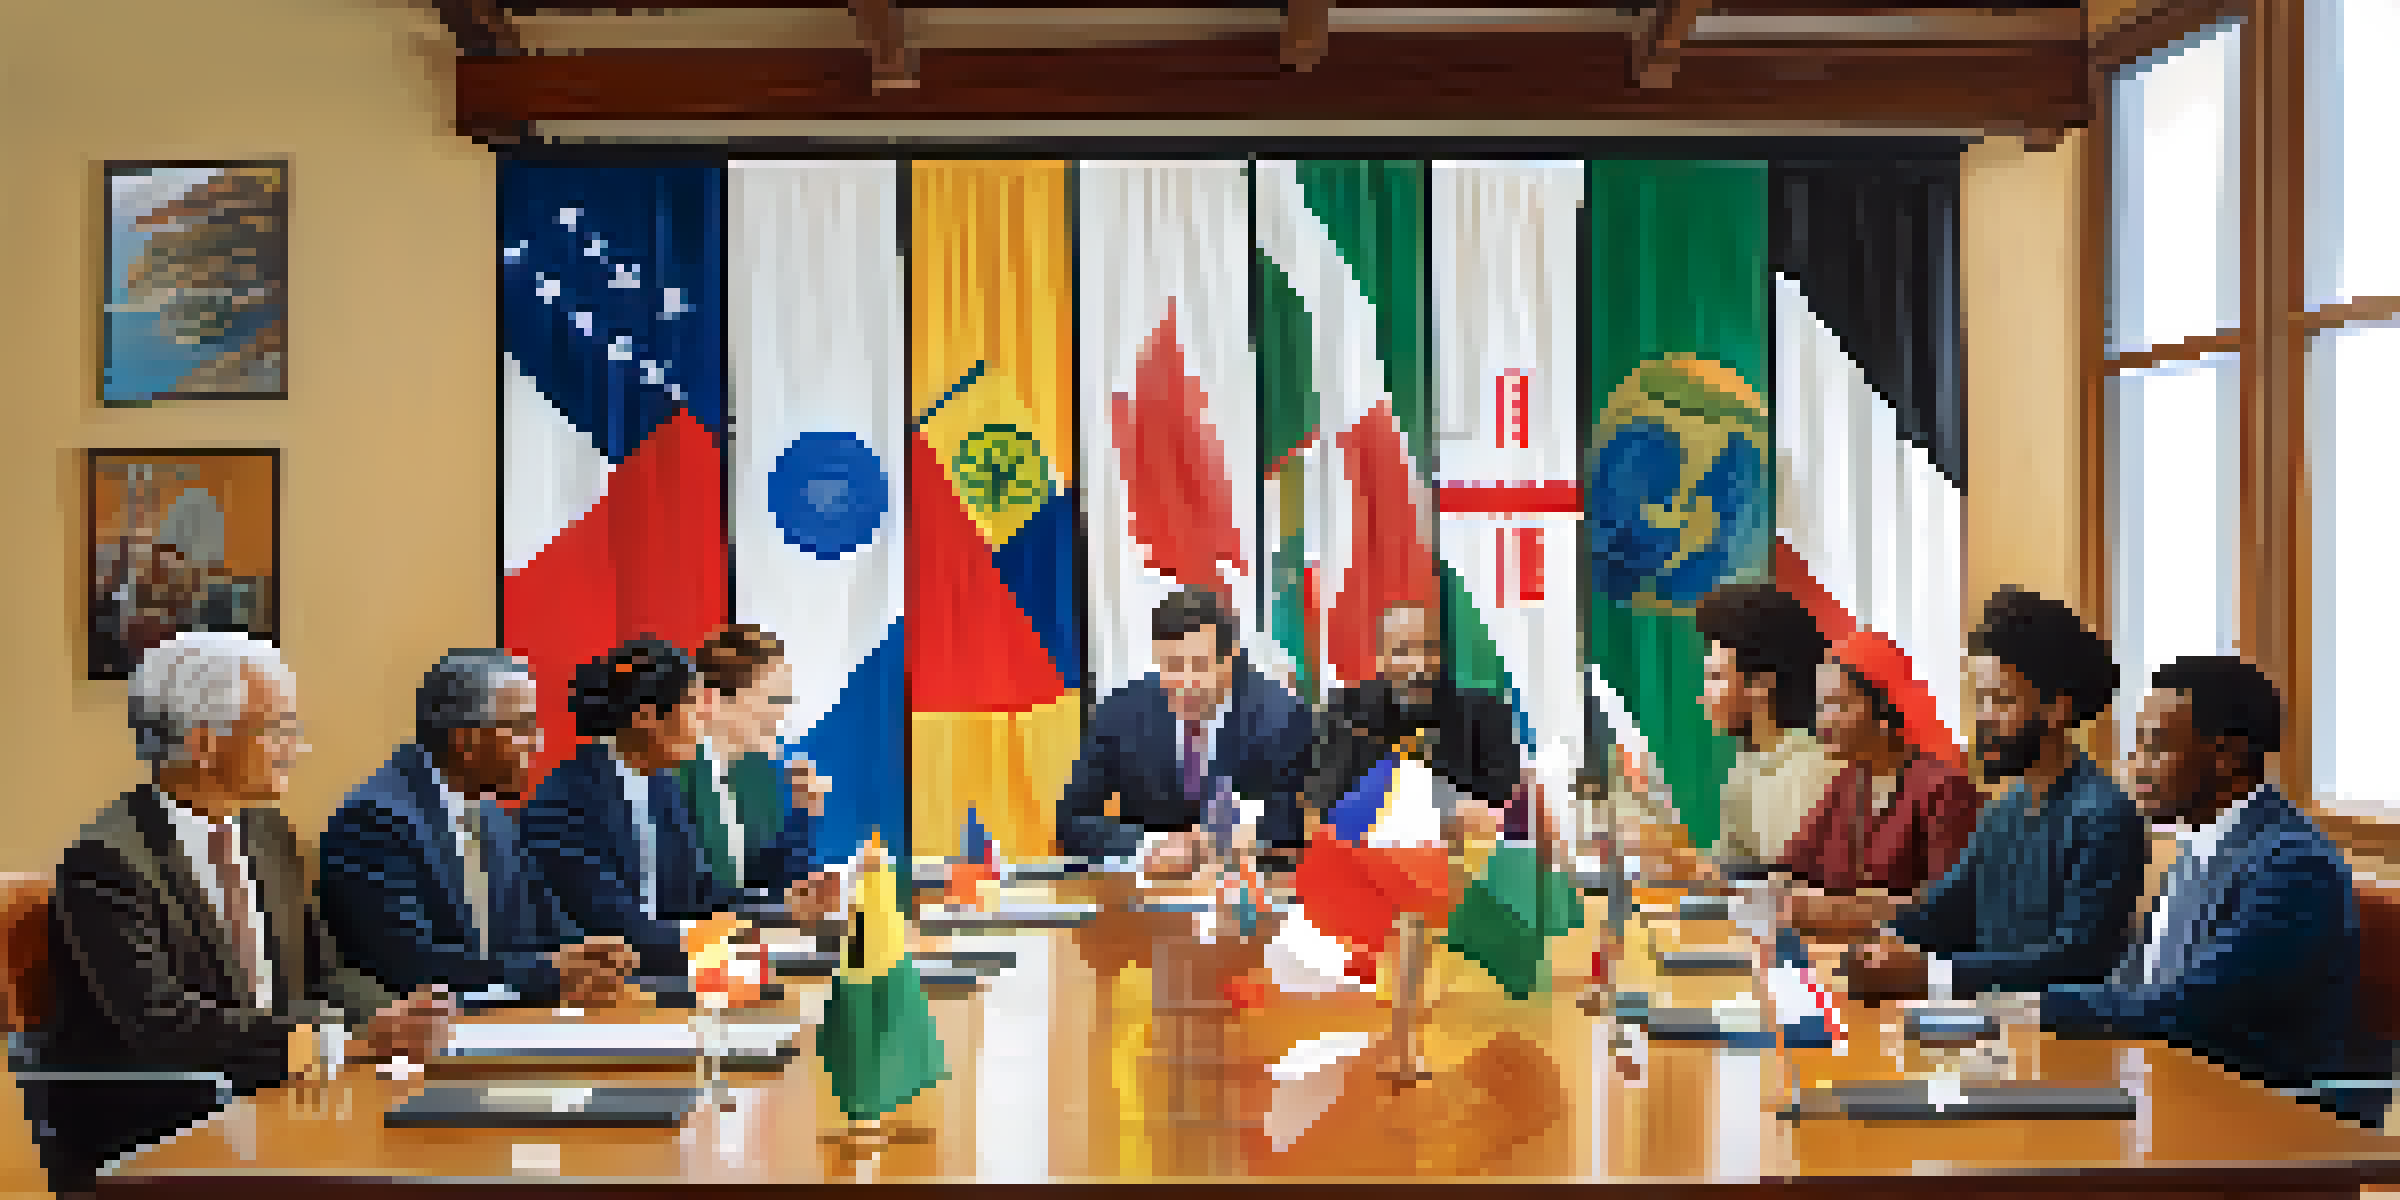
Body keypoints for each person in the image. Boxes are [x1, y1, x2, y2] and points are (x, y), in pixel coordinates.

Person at [42, 634, 451, 1192]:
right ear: (205, 742)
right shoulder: (108, 860)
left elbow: (322, 975)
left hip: (279, 1098)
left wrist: (407, 1016)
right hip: (160, 1127)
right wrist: (343, 1041)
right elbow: (164, 1024)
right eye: (279, 728)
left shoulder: (267, 833)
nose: (297, 747)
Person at [2041, 656, 2376, 1118]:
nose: (2135, 767)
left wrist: (2028, 1011)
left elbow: (2191, 1009)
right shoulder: (2198, 845)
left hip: (2251, 1120)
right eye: (2135, 747)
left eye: (2154, 749)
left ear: (2228, 757)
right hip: (2163, 1091)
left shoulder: (2293, 865)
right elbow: (2134, 985)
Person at [1839, 586, 2145, 1003]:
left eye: (1999, 700)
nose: (1982, 718)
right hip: (1987, 1031)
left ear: (2058, 708)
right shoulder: (2003, 811)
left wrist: (1933, 975)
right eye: (1979, 699)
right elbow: (1944, 911)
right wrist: (1884, 945)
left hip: (2055, 1043)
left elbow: (2078, 960)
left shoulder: (2104, 816)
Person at [319, 650, 638, 1008]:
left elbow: (547, 925)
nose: (538, 744)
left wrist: (591, 957)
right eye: (522, 728)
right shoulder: (375, 821)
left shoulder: (491, 813)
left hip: (507, 1025)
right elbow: (411, 963)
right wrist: (549, 971)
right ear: (466, 742)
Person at [520, 638, 820, 982]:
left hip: (666, 979)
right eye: (692, 706)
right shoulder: (564, 804)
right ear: (647, 718)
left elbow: (702, 893)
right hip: (607, 992)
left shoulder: (661, 785)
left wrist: (783, 910)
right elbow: (623, 929)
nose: (704, 718)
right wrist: (745, 942)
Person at [1058, 588, 1315, 875]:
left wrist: (1215, 844)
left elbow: (1290, 824)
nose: (1186, 683)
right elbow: (1071, 819)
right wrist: (1150, 848)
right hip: (1144, 894)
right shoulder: (1120, 714)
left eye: (1200, 665)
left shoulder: (1281, 717)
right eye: (1172, 666)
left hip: (1245, 888)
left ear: (1230, 658)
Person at [1779, 629, 1981, 934]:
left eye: (1837, 705)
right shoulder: (1846, 783)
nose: (1823, 720)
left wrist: (1851, 910)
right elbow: (1793, 870)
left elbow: (1951, 906)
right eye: (1821, 706)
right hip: (1837, 956)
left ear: (1885, 709)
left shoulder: (1944, 789)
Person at [1309, 603, 1520, 844]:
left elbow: (1502, 798)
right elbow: (1322, 796)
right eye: (1402, 652)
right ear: (1380, 660)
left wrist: (1427, 762)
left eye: (1427, 649)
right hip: (1363, 856)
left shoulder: (1486, 714)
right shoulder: (1347, 711)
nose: (1418, 665)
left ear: (1441, 654)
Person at [1690, 582, 1846, 870]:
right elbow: (1727, 872)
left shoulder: (1816, 772)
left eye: (1716, 676)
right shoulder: (1746, 768)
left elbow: (1794, 892)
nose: (1702, 695)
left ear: (1761, 685)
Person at [682, 625, 830, 891]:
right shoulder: (675, 776)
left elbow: (773, 881)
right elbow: (702, 896)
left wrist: (803, 812)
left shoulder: (755, 774)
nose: (781, 714)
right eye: (772, 698)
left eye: (786, 699)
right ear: (716, 700)